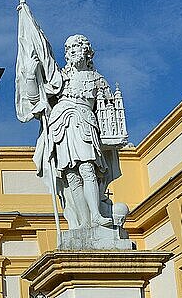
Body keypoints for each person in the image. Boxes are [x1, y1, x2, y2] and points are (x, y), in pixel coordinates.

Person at [26, 34, 115, 228]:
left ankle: (96, 216)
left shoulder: (98, 80)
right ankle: (83, 222)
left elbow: (109, 111)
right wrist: (32, 75)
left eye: (76, 46)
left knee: (87, 169)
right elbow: (35, 99)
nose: (71, 51)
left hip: (84, 124)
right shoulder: (61, 77)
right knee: (71, 175)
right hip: (61, 127)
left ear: (86, 51)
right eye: (67, 48)